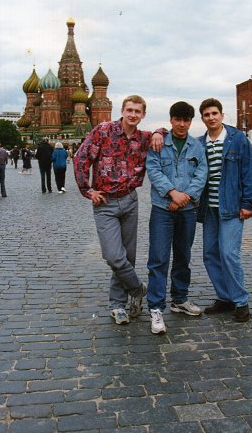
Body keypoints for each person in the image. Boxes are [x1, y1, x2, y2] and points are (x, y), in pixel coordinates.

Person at [74, 94, 163, 326]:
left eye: (137, 111)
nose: (133, 115)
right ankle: (138, 289)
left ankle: (117, 304)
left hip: (130, 201)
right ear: (122, 111)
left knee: (127, 256)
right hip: (105, 203)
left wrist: (158, 132)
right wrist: (87, 190)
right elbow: (81, 158)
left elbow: (166, 132)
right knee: (113, 256)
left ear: (143, 115)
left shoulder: (144, 138)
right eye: (129, 110)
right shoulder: (103, 131)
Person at [146, 101, 208, 335]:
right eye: (178, 119)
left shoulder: (196, 146)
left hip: (187, 210)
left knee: (183, 255)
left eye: (186, 120)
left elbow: (202, 174)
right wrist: (172, 193)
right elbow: (154, 171)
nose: (182, 124)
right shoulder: (159, 143)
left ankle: (180, 299)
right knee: (159, 258)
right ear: (171, 120)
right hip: (162, 209)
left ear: (191, 122)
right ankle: (155, 307)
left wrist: (185, 197)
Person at [197, 98, 252, 323]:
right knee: (210, 254)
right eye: (207, 115)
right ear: (202, 118)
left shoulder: (237, 139)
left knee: (229, 254)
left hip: (231, 207)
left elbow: (249, 171)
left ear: (222, 115)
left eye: (214, 113)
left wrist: (248, 203)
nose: (211, 118)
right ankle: (225, 297)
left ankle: (241, 301)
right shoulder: (200, 143)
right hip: (209, 209)